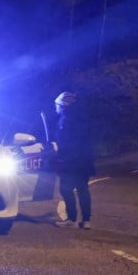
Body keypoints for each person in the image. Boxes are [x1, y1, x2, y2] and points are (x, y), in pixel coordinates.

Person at [52, 91, 95, 229]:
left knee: (65, 188)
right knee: (83, 189)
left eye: (57, 105)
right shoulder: (83, 117)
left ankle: (71, 219)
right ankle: (86, 221)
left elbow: (66, 141)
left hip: (71, 160)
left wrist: (59, 152)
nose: (56, 107)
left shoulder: (65, 120)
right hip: (85, 159)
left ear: (63, 105)